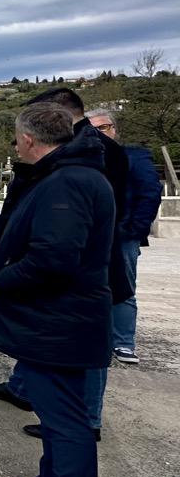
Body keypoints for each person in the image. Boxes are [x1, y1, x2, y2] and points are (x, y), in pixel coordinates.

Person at [0, 104, 114, 477]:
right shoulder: (77, 174)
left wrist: (2, 280)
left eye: (17, 139)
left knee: (65, 418)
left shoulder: (67, 182)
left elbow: (54, 258)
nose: (16, 145)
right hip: (61, 318)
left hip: (59, 321)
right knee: (54, 413)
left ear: (30, 140)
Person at [0, 86, 133, 434]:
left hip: (83, 268)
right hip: (62, 258)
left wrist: (8, 275)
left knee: (80, 352)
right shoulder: (69, 154)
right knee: (45, 342)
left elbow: (71, 231)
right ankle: (23, 389)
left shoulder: (90, 156)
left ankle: (85, 420)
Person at [84, 108, 162, 365]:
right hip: (89, 234)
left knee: (124, 287)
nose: (99, 134)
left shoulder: (134, 157)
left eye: (104, 127)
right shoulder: (85, 160)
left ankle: (123, 342)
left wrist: (131, 231)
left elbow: (149, 195)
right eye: (92, 129)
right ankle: (96, 337)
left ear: (114, 129)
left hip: (121, 235)